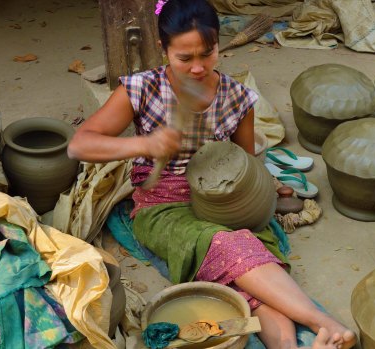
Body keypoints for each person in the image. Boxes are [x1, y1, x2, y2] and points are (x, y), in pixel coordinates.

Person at [67, 0, 356, 348]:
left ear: (219, 43)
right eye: (184, 58)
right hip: (163, 207)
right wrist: (145, 146)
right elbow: (80, 145)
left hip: (223, 204)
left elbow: (245, 165)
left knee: (250, 272)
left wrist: (259, 194)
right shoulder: (142, 89)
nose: (198, 68)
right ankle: (321, 320)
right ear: (164, 49)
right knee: (230, 247)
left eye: (207, 54)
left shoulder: (237, 99)